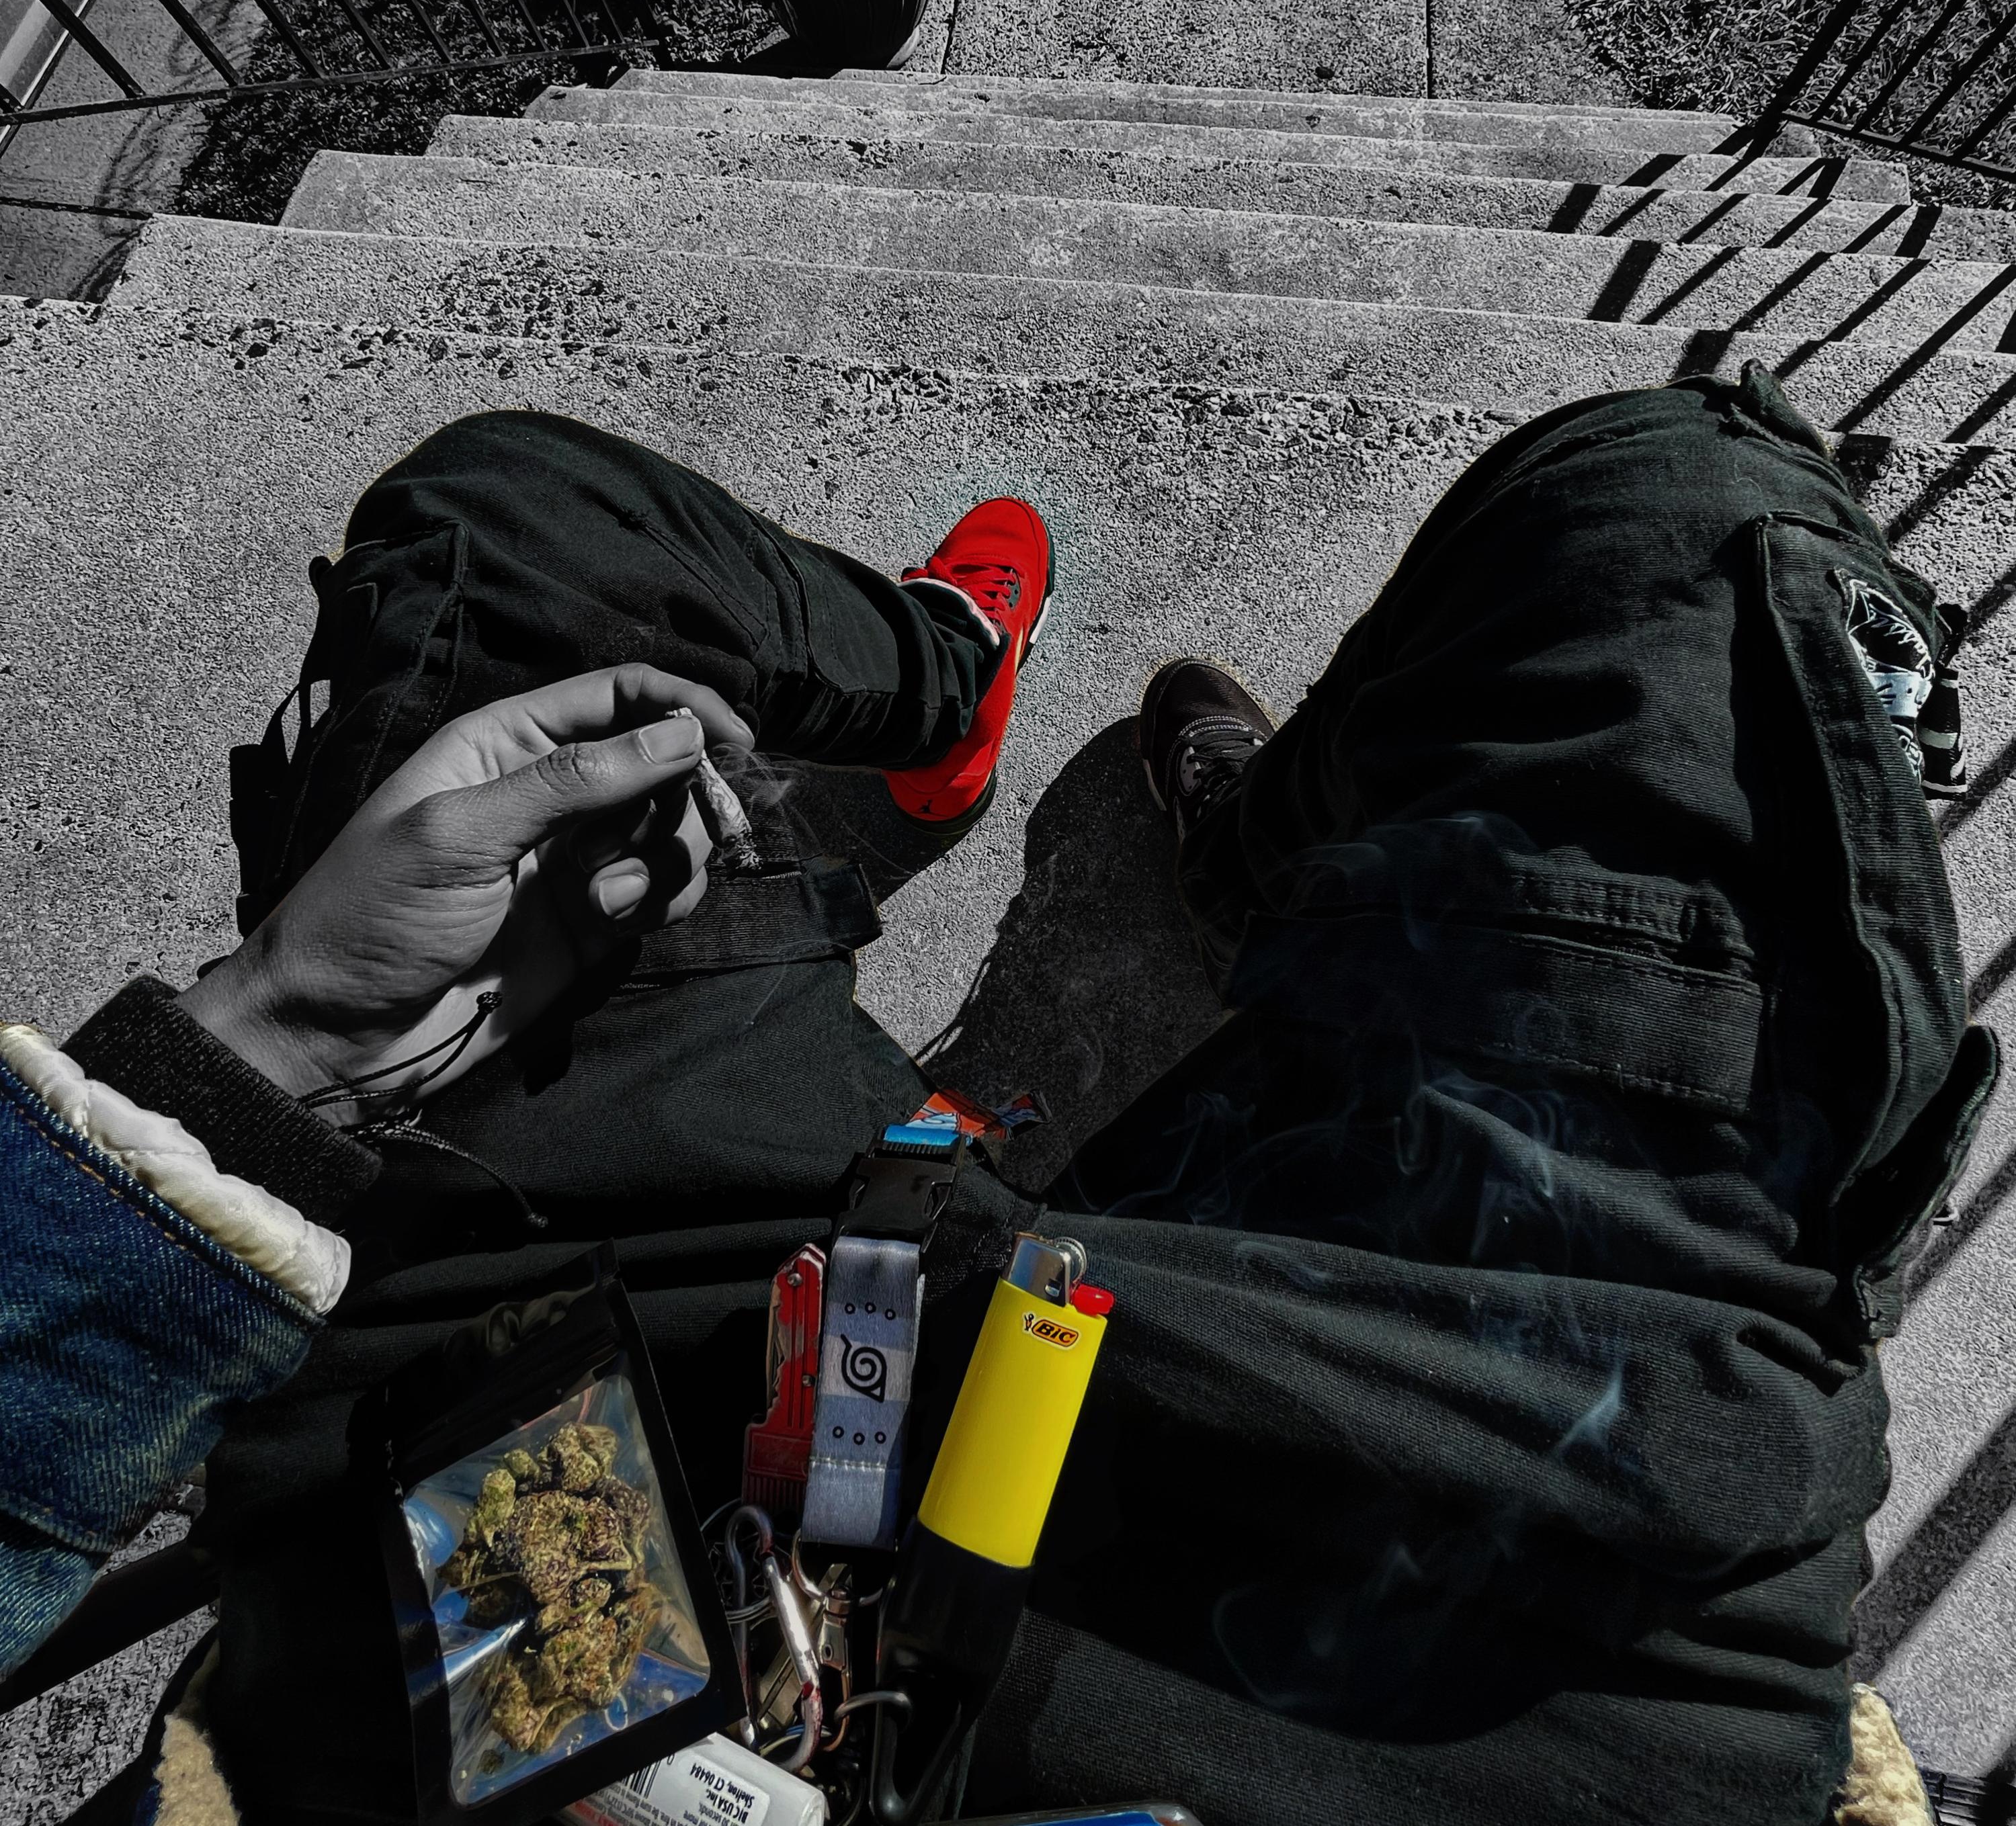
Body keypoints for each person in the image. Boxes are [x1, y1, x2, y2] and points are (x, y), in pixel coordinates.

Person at [0, 365, 1990, 1826]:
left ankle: (946, 682)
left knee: (515, 539)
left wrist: (277, 1041)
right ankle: (1277, 858)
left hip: (561, 1577)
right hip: (1516, 1665)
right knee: (1675, 524)